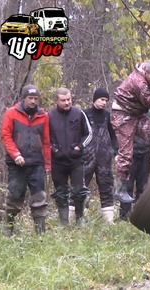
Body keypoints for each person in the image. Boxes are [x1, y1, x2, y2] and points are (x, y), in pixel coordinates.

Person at [111, 59, 150, 203]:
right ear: (146, 72)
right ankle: (119, 188)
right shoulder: (138, 82)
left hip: (135, 114)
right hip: (122, 115)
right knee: (127, 153)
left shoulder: (147, 79)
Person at [0, 84, 51, 236]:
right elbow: (6, 136)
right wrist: (16, 155)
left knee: (39, 198)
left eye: (36, 98)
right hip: (16, 164)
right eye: (30, 98)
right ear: (24, 98)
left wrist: (47, 164)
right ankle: (8, 229)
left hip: (36, 163)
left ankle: (41, 234)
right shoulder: (11, 113)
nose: (33, 101)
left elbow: (46, 141)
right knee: (15, 197)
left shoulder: (43, 116)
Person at [48, 87, 93, 226]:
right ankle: (64, 223)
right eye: (63, 100)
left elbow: (89, 133)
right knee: (61, 193)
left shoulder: (79, 113)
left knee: (79, 191)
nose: (67, 103)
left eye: (69, 99)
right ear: (56, 101)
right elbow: (44, 138)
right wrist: (54, 149)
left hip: (76, 160)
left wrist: (79, 147)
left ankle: (80, 219)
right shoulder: (49, 116)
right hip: (58, 161)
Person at [81, 88, 118, 223]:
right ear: (95, 99)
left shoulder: (107, 116)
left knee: (107, 186)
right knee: (80, 186)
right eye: (102, 99)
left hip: (104, 159)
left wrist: (113, 151)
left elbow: (114, 136)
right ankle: (76, 217)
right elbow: (78, 135)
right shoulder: (84, 114)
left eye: (106, 101)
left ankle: (109, 221)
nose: (104, 103)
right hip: (86, 158)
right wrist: (79, 151)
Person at [119, 135, 150, 220]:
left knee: (142, 187)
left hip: (146, 152)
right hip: (129, 152)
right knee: (127, 187)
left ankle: (139, 216)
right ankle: (124, 216)